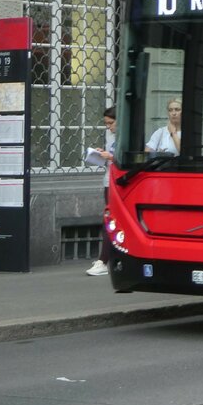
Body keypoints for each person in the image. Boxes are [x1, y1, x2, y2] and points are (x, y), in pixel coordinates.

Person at [87, 107, 117, 277]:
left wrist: (110, 156)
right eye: (106, 124)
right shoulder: (110, 135)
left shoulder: (128, 135)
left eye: (111, 123)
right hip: (108, 180)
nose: (108, 127)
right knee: (109, 219)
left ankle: (103, 261)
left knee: (110, 219)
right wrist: (101, 154)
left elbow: (130, 158)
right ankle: (107, 259)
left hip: (118, 182)